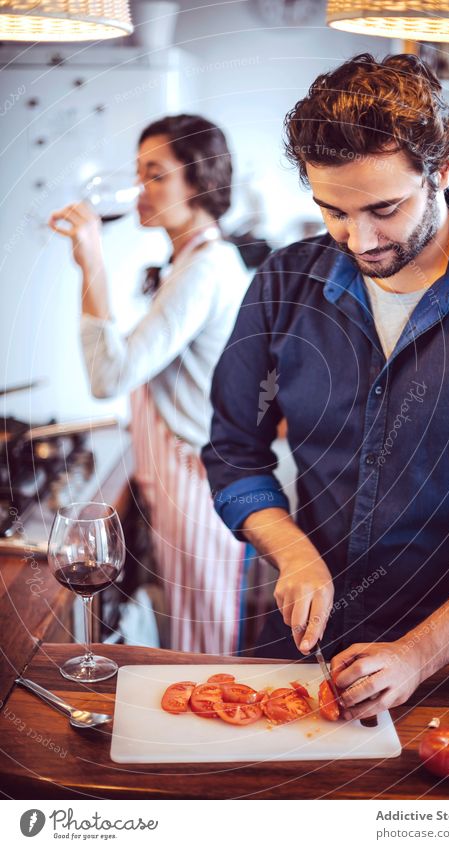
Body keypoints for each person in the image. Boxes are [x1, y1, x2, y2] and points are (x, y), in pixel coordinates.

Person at [202, 54, 449, 719]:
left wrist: (416, 652)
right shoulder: (284, 282)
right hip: (308, 642)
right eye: (333, 210)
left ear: (442, 170)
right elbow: (233, 451)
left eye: (384, 208)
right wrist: (293, 553)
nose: (360, 238)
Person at [50, 114, 250, 654]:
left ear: (200, 180)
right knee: (192, 628)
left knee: (200, 640)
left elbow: (109, 375)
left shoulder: (205, 269)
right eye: (139, 174)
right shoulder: (193, 261)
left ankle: (209, 737)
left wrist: (90, 259)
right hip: (183, 476)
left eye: (155, 174)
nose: (140, 190)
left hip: (194, 480)